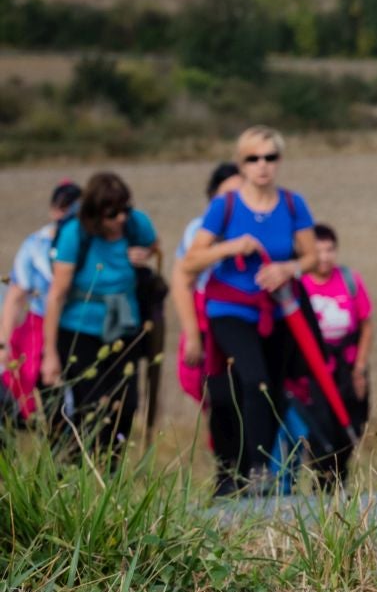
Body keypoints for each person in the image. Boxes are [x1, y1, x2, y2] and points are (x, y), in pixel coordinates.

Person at [183, 126, 318, 494]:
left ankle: (254, 471)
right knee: (253, 380)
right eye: (253, 158)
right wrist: (229, 248)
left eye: (270, 158)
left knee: (271, 389)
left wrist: (287, 268)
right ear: (241, 163)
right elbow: (192, 260)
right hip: (229, 307)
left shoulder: (293, 204)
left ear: (279, 162)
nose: (262, 166)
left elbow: (311, 256)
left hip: (275, 310)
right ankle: (253, 472)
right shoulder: (224, 206)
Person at [38, 172, 158, 457]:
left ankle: (111, 471)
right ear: (94, 213)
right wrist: (50, 354)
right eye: (112, 213)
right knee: (91, 405)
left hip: (124, 322)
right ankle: (80, 468)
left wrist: (144, 253)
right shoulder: (74, 235)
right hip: (80, 328)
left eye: (124, 210)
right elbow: (56, 295)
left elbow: (154, 245)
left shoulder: (135, 223)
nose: (120, 219)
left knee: (126, 404)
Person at [170, 161, 243, 466]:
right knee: (219, 397)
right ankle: (228, 469)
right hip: (209, 320)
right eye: (225, 196)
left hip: (247, 318)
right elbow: (183, 278)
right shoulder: (198, 231)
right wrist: (192, 335)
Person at [1, 180, 83, 424]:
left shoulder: (92, 241)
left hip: (78, 325)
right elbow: (16, 295)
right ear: (52, 209)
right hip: (39, 325)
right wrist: (3, 342)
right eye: (62, 206)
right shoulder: (36, 244)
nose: (67, 213)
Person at [297, 223, 372, 483]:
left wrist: (360, 368)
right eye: (318, 251)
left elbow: (366, 325)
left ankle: (342, 479)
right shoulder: (300, 285)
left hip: (348, 368)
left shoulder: (349, 280)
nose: (324, 257)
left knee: (352, 426)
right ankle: (323, 482)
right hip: (315, 372)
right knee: (321, 429)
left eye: (330, 250)